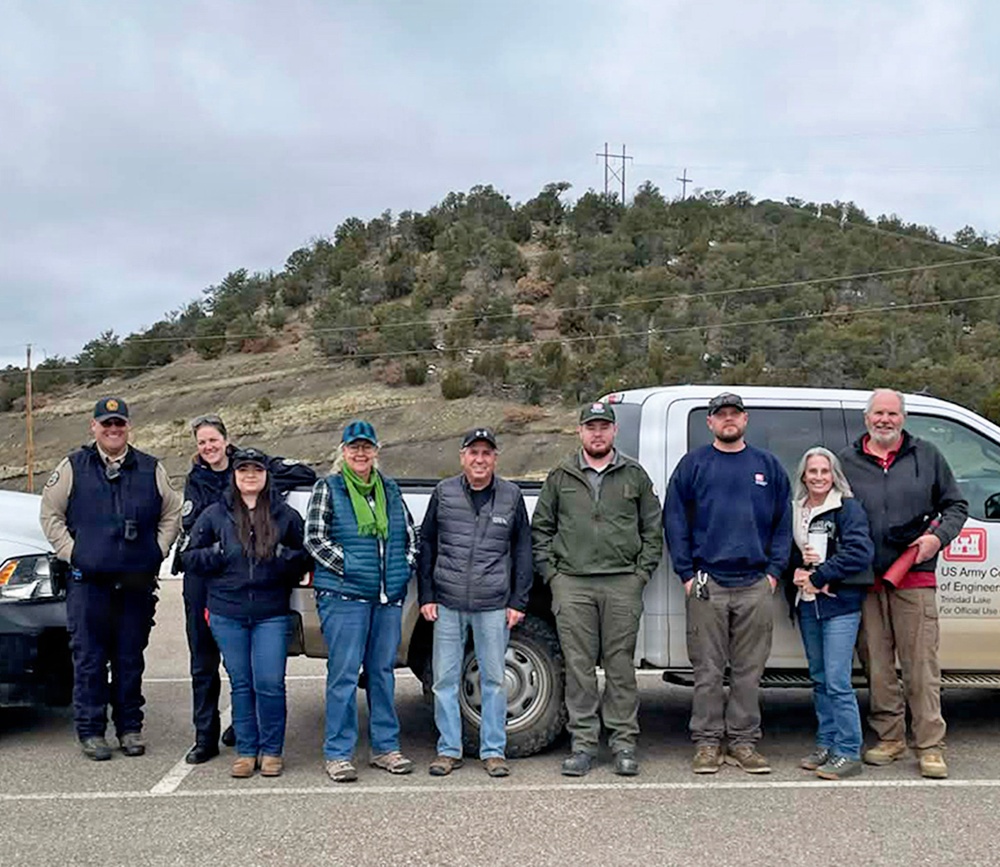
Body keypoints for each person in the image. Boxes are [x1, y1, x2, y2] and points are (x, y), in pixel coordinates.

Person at [39, 397, 182, 761]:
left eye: (119, 424)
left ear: (127, 427)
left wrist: (158, 550)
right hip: (89, 584)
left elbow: (172, 513)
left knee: (129, 658)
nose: (113, 430)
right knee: (88, 659)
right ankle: (91, 732)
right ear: (94, 427)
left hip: (135, 583)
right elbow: (50, 515)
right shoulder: (73, 466)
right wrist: (74, 553)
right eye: (107, 424)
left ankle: (130, 728)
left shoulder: (150, 468)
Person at [839, 389, 967, 779]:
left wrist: (936, 538)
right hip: (866, 580)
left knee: (921, 667)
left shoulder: (927, 456)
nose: (885, 420)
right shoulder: (846, 461)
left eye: (892, 414)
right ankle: (890, 737)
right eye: (878, 413)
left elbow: (956, 506)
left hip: (915, 577)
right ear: (866, 419)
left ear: (903, 418)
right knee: (876, 666)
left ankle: (929, 745)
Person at [174, 414, 318, 764]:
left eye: (214, 440)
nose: (208, 447)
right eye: (202, 442)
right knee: (208, 666)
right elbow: (188, 548)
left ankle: (261, 743)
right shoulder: (199, 486)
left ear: (227, 441)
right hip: (215, 592)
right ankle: (209, 737)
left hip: (266, 602)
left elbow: (304, 553)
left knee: (265, 679)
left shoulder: (278, 508)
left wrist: (285, 560)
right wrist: (217, 554)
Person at [532, 401, 662, 777]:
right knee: (579, 668)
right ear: (580, 432)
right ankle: (584, 745)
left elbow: (652, 530)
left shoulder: (634, 475)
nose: (598, 433)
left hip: (622, 582)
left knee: (620, 667)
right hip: (573, 584)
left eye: (604, 426)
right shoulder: (560, 475)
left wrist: (640, 574)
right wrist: (553, 576)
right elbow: (541, 528)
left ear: (614, 431)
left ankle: (623, 743)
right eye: (591, 427)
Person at [663, 392, 791, 775]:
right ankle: (706, 743)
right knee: (708, 671)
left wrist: (773, 573)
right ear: (710, 423)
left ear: (745, 419)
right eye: (721, 415)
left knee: (750, 670)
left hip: (755, 582)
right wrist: (686, 574)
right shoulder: (694, 465)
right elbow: (674, 522)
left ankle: (743, 742)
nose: (728, 420)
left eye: (734, 414)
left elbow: (783, 524)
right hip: (707, 583)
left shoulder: (767, 466)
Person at [304, 420, 418, 783]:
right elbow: (315, 539)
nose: (360, 452)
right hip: (343, 597)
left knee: (382, 673)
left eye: (366, 446)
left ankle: (385, 747)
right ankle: (338, 753)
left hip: (387, 599)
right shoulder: (329, 488)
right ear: (343, 451)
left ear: (376, 451)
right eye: (354, 447)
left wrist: (403, 567)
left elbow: (410, 537)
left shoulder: (390, 490)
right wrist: (351, 568)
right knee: (343, 675)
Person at [418, 427, 532, 778]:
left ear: (495, 457)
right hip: (449, 602)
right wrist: (427, 595)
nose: (479, 459)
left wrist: (518, 600)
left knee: (495, 680)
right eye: (473, 452)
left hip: (493, 604)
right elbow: (427, 544)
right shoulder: (444, 492)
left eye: (486, 453)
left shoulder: (511, 496)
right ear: (462, 457)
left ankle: (494, 751)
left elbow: (523, 550)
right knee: (445, 680)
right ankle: (448, 750)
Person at [785, 447, 874, 781]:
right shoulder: (796, 510)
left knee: (838, 681)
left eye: (825, 471)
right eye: (813, 472)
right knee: (820, 679)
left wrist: (820, 577)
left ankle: (849, 751)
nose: (819, 477)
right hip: (807, 604)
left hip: (839, 604)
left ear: (834, 475)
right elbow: (791, 555)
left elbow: (859, 553)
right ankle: (827, 744)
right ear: (803, 476)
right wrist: (795, 572)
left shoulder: (847, 508)